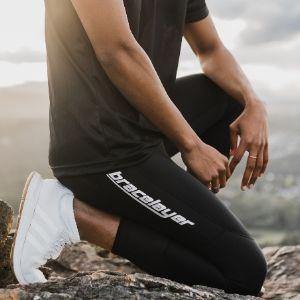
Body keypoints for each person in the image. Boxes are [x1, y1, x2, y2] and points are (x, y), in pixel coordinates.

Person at [11, 0, 269, 296]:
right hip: (100, 145)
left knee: (230, 101)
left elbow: (210, 49)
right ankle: (74, 213)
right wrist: (192, 144)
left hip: (140, 127)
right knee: (244, 272)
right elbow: (116, 51)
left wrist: (254, 102)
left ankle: (173, 219)